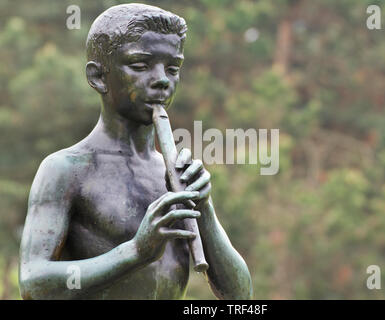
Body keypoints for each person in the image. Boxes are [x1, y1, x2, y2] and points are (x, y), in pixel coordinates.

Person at [19, 3, 252, 300]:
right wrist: (135, 252)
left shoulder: (175, 176)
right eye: (141, 66)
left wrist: (204, 210)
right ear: (98, 78)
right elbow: (33, 282)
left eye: (172, 68)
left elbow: (241, 298)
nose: (162, 80)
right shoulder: (66, 169)